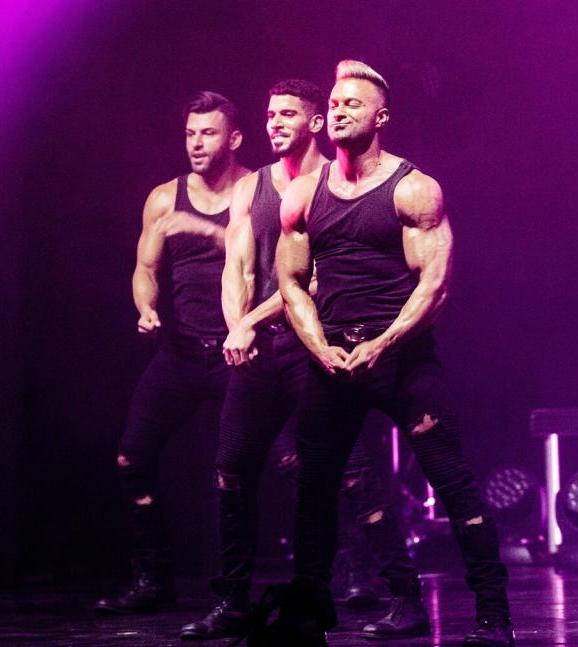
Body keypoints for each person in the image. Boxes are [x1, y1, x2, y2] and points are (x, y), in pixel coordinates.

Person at [179, 79, 429, 641]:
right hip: (256, 353)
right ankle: (235, 601)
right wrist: (235, 327)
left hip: (309, 345)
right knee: (230, 469)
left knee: (353, 475)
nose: (274, 123)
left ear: (315, 123)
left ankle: (402, 594)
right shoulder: (253, 188)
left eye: (287, 114)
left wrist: (250, 321)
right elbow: (237, 269)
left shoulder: (329, 188)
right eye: (270, 114)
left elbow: (310, 281)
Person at [276, 60, 515, 646]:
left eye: (352, 104)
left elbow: (435, 284)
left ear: (381, 117)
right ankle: (319, 614)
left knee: (453, 482)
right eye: (333, 103)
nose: (337, 111)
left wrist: (383, 343)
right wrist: (322, 348)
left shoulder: (413, 189)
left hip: (402, 359)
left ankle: (493, 615)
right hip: (333, 361)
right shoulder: (303, 194)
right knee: (314, 493)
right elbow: (291, 285)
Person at [95, 92, 250, 614]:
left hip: (239, 354)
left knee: (289, 460)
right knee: (130, 457)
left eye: (207, 133)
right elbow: (145, 269)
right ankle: (152, 578)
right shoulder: (164, 197)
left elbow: (270, 257)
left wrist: (205, 229)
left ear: (233, 139)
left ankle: (332, 575)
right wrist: (147, 308)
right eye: (189, 134)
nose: (196, 144)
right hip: (180, 354)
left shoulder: (257, 190)